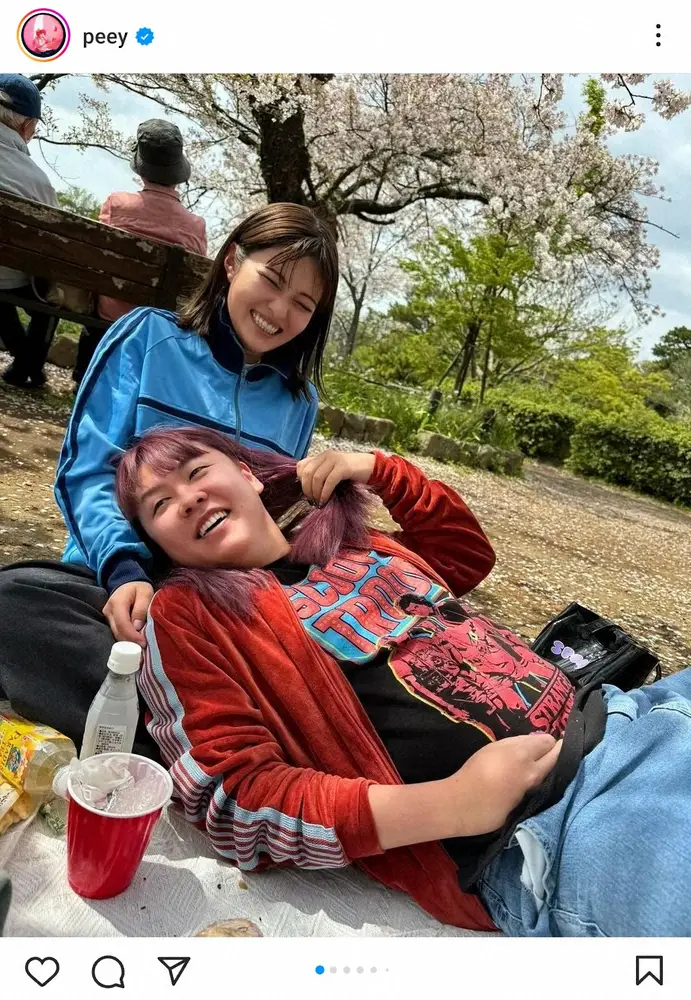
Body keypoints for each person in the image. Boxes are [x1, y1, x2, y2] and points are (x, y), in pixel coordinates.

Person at [117, 426, 691, 936]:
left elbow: (465, 551)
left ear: (248, 474)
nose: (188, 498)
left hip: (628, 717)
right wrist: (451, 805)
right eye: (160, 504)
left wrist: (378, 469)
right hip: (542, 832)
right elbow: (230, 799)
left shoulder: (351, 543)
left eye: (198, 472)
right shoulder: (187, 617)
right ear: (156, 542)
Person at [0, 203, 339, 753]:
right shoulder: (147, 337)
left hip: (219, 610)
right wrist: (125, 570)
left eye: (303, 304)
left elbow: (265, 518)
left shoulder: (297, 402)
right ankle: (202, 747)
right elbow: (88, 471)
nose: (279, 311)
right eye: (272, 281)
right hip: (115, 585)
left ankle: (202, 743)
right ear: (232, 261)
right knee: (15, 602)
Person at [73, 119, 208, 387]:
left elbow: (97, 258)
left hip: (109, 317)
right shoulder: (196, 226)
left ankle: (82, 379)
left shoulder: (117, 204)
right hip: (159, 326)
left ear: (141, 167)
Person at [0, 74, 60, 389]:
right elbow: (55, 245)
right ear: (26, 126)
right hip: (11, 278)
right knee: (47, 301)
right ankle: (28, 366)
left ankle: (24, 363)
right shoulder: (38, 182)